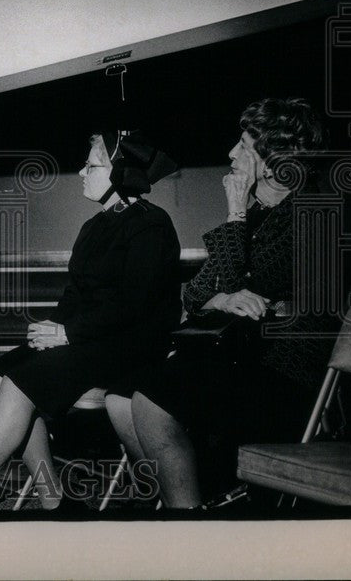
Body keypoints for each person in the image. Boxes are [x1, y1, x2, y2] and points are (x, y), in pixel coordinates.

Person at [0, 130, 181, 513]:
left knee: (21, 381)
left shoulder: (151, 224)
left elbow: (135, 305)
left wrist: (67, 333)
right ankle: (53, 496)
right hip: (90, 338)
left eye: (92, 165)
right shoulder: (94, 226)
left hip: (132, 344)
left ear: (121, 173)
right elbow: (75, 296)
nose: (83, 171)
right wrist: (50, 327)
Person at [105, 97, 329, 509]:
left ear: (272, 158)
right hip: (238, 356)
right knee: (119, 398)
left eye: (243, 145)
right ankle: (193, 495)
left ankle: (190, 524)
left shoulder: (311, 215)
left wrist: (234, 214)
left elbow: (254, 283)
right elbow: (195, 293)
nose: (230, 153)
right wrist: (223, 297)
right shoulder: (257, 213)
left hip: (283, 373)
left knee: (151, 401)